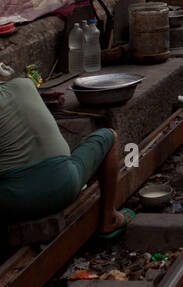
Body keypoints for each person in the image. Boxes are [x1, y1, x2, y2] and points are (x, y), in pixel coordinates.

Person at [0, 72, 131, 234]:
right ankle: (109, 218)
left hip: (13, 202)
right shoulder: (25, 84)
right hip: (65, 184)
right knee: (109, 135)